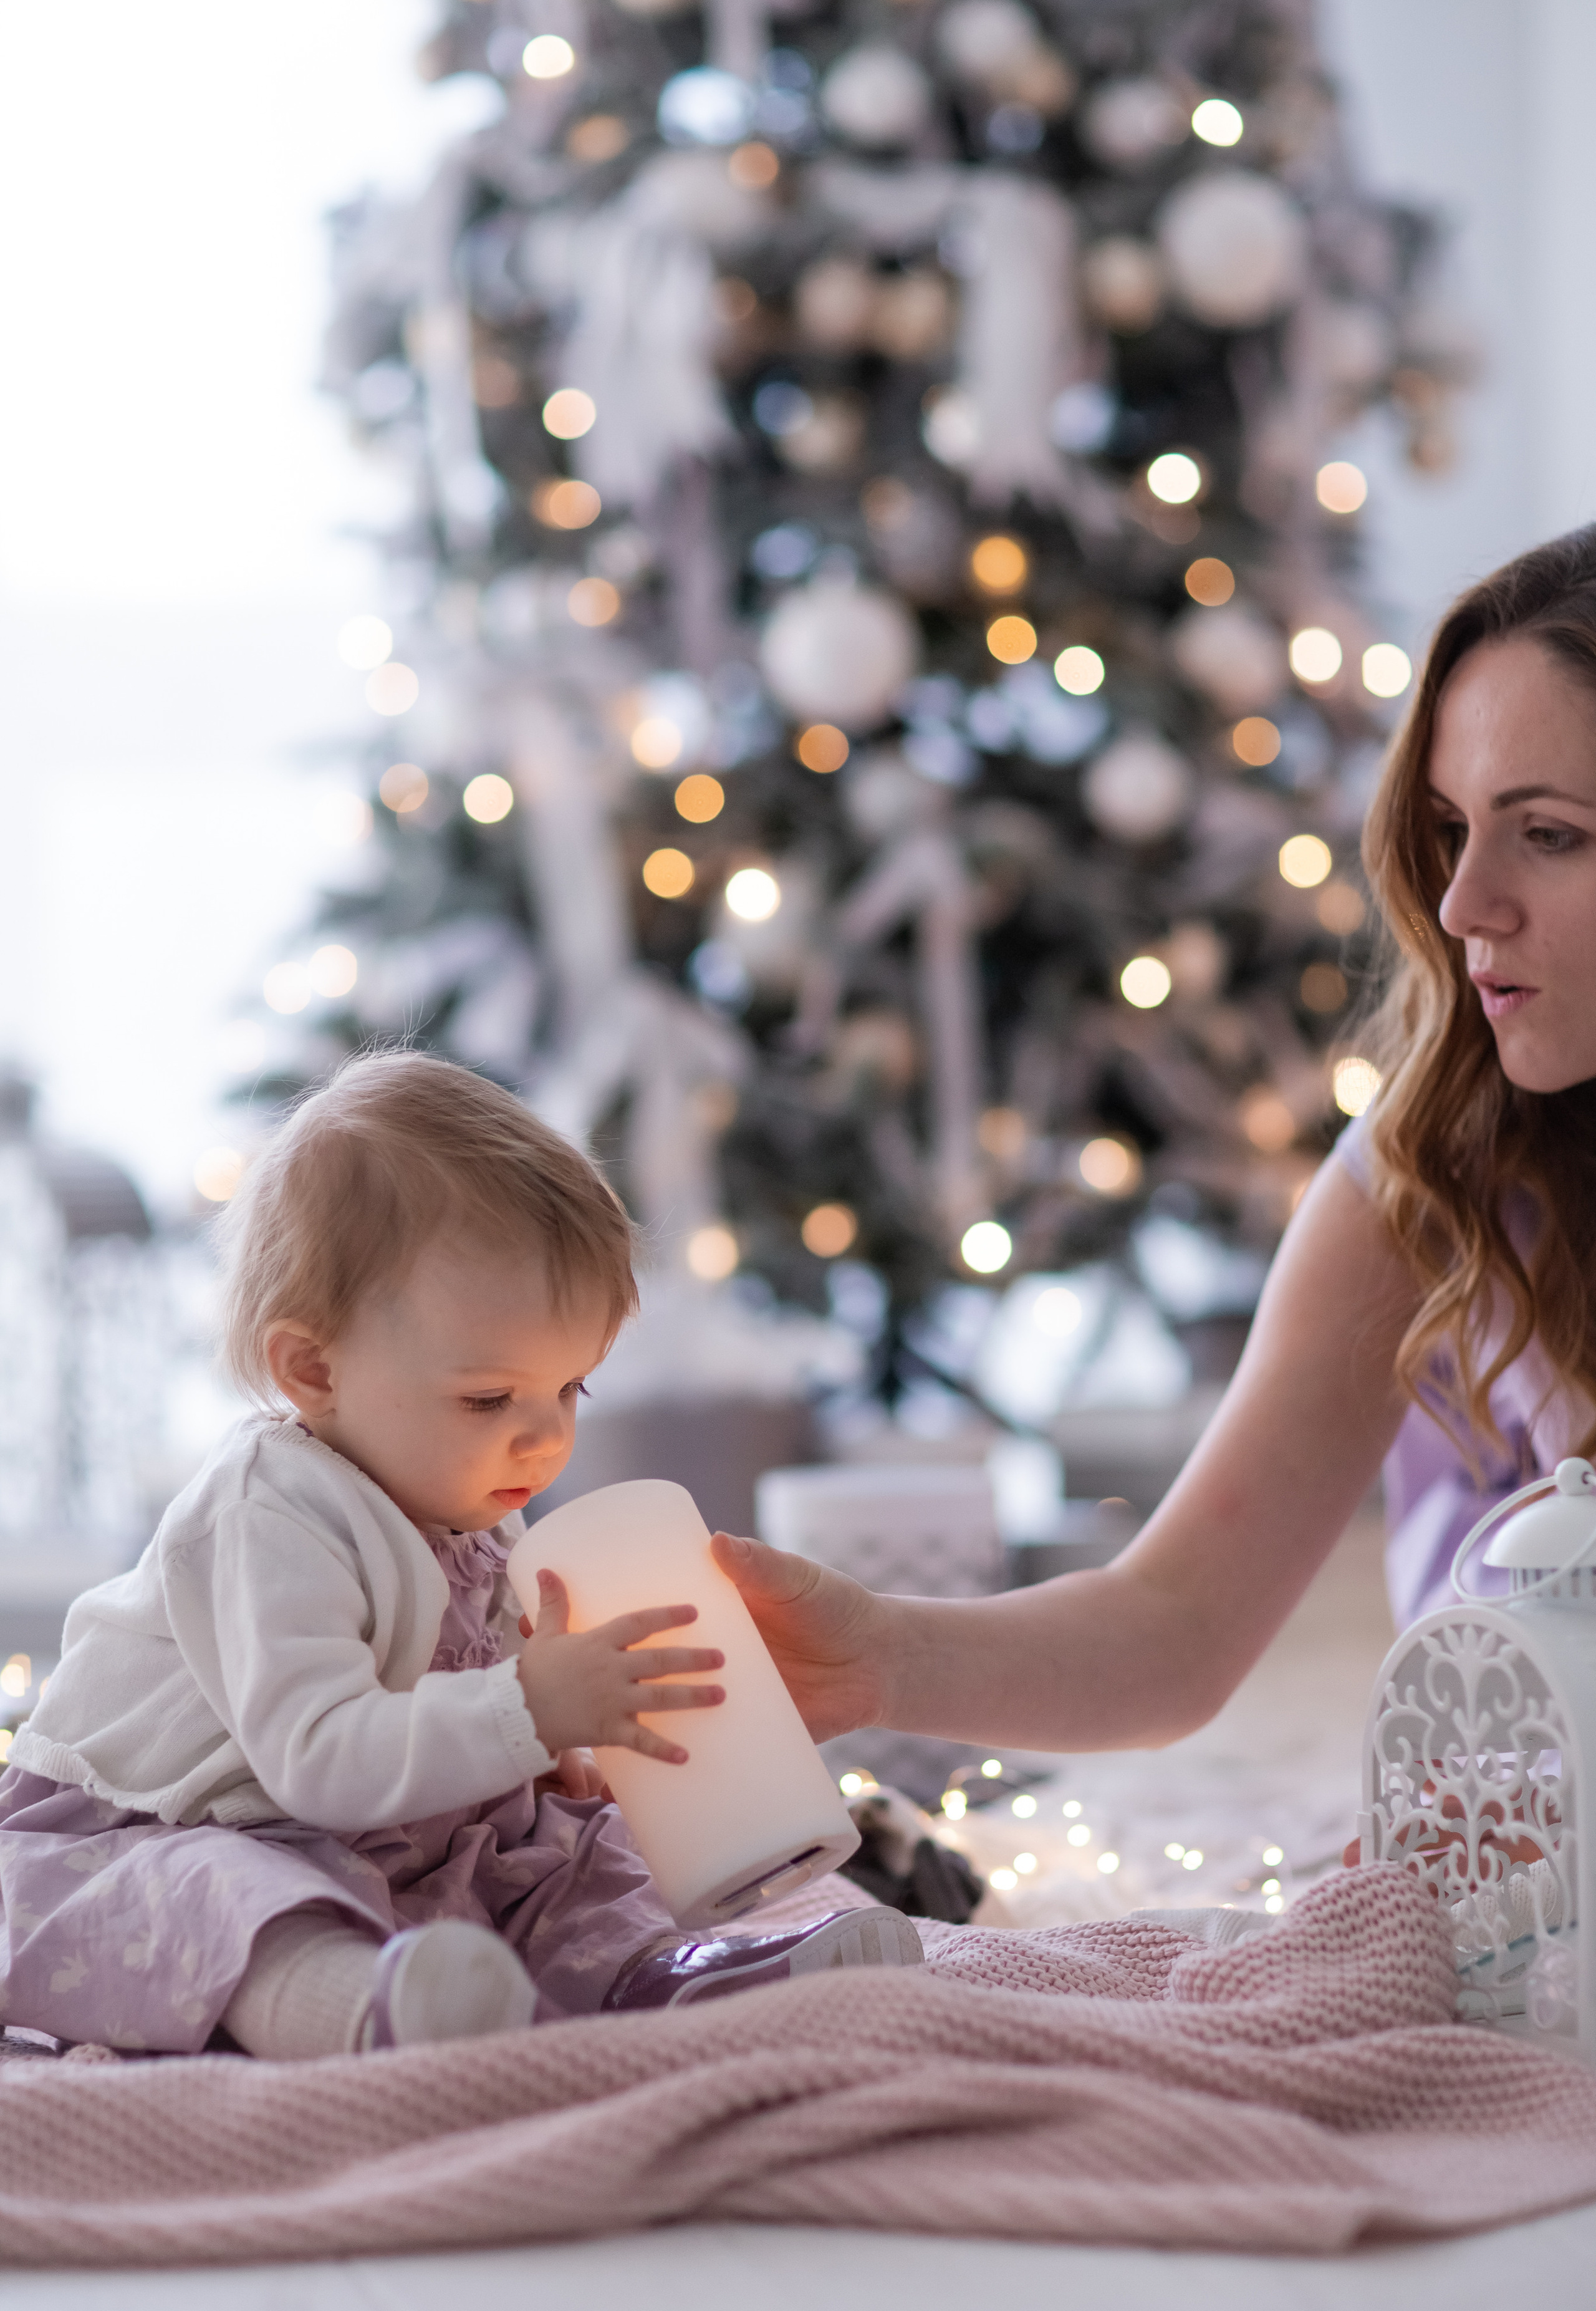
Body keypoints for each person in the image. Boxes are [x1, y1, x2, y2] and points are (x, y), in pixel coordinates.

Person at [712, 525, 1596, 1763]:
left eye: (1547, 833)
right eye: (1449, 828)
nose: (1460, 905)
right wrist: (877, 1656)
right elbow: (1169, 1627)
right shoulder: (1424, 1174)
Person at [0, 1054, 918, 2059]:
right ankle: (358, 2009)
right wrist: (529, 1708)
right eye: (490, 1399)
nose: (545, 1440)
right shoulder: (268, 1512)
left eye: (572, 1391)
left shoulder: (467, 1496)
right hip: (172, 1834)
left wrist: (574, 1756)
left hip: (381, 1835)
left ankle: (677, 1979)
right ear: (313, 1369)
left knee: (574, 1855)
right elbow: (319, 1760)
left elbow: (475, 1701)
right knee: (221, 1903)